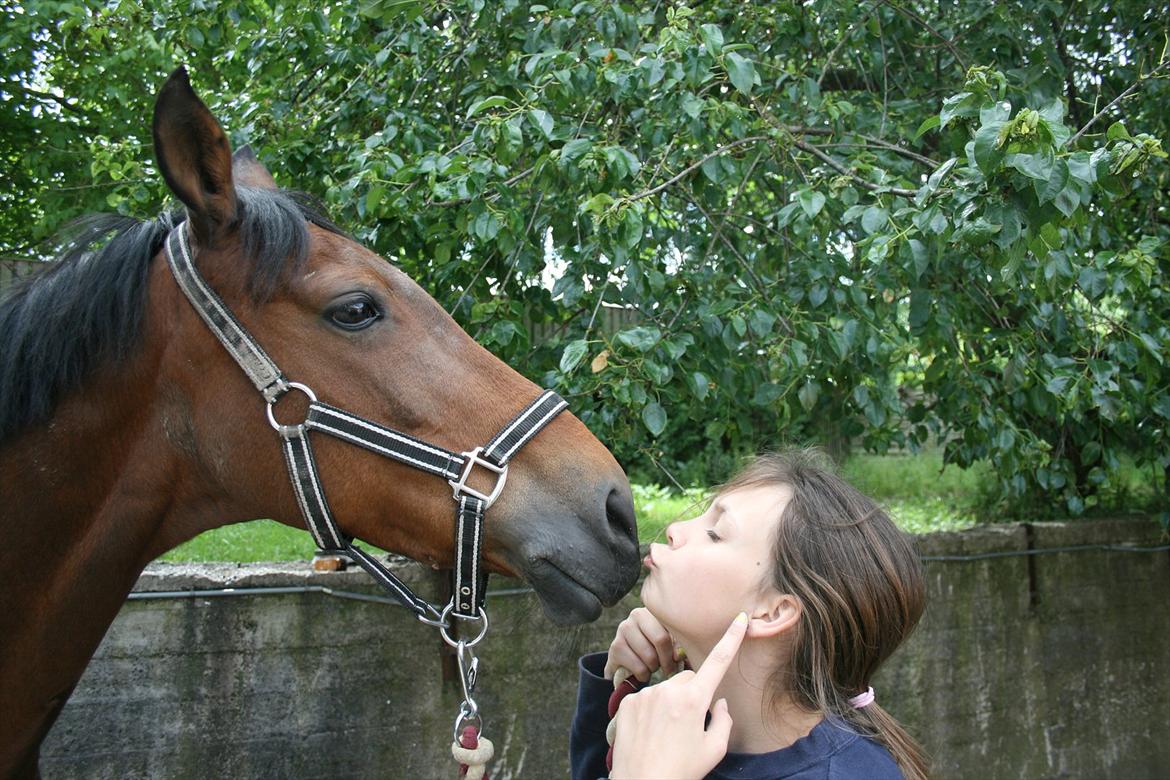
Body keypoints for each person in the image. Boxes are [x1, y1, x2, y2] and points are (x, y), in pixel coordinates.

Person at [569, 449, 930, 780]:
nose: (675, 530)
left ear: (772, 613)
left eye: (715, 533)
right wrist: (617, 687)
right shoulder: (684, 731)